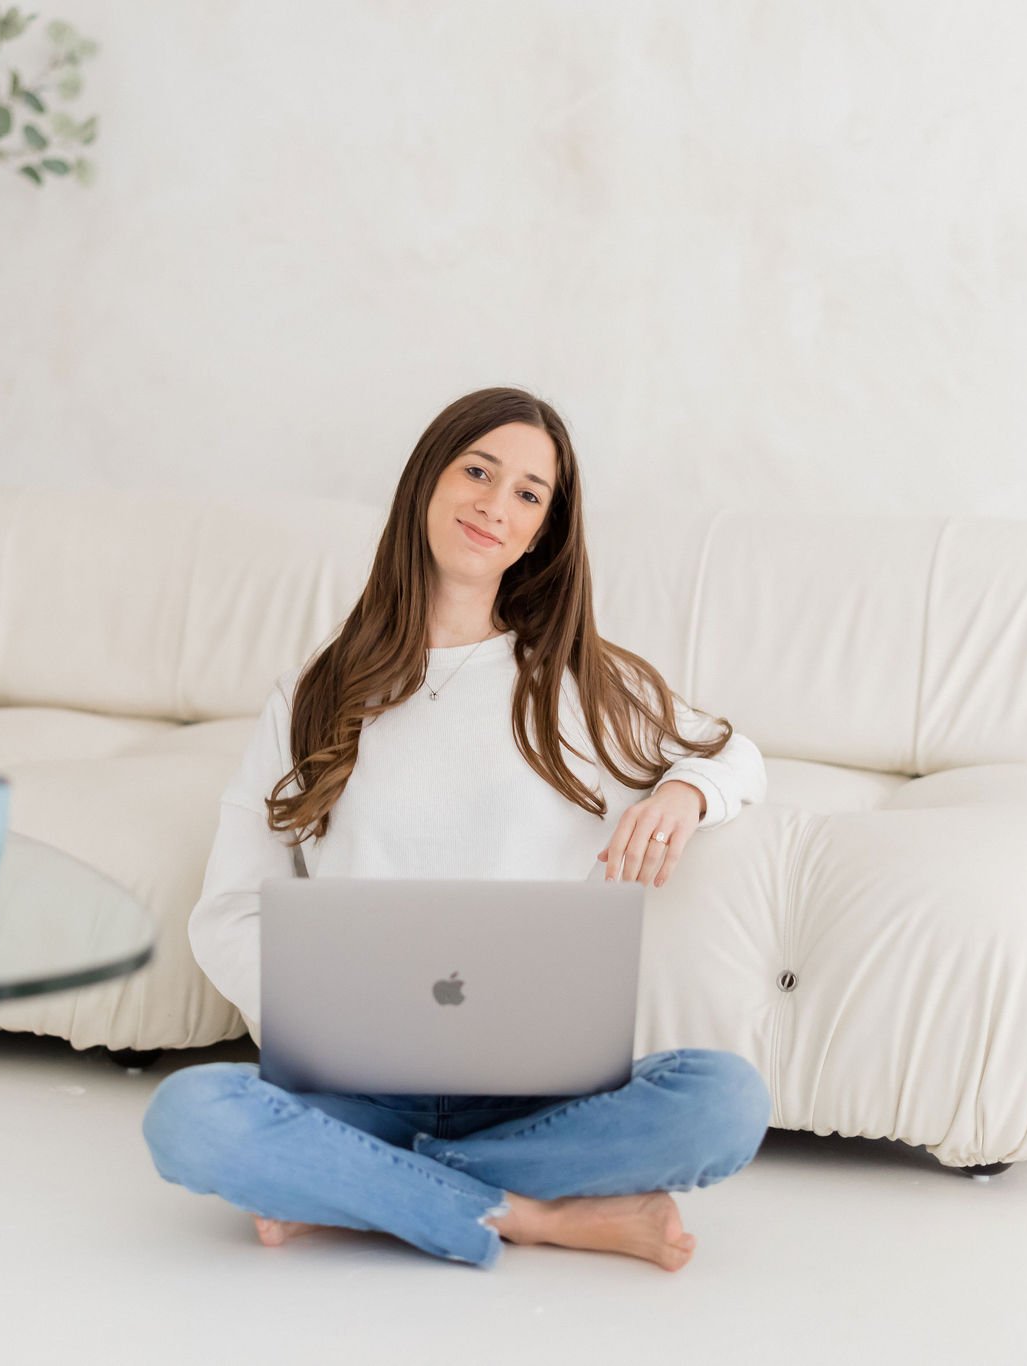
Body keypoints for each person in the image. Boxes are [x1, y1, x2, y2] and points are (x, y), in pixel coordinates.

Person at [141, 386, 772, 1271]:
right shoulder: (312, 696)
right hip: (353, 1085)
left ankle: (360, 1192)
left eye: (528, 494)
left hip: (537, 1094)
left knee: (725, 1101)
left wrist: (685, 794)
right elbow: (229, 910)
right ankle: (535, 1215)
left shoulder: (583, 684)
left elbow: (737, 754)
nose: (495, 506)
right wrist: (330, 1022)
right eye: (478, 471)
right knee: (190, 1118)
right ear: (426, 483)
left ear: (544, 531)